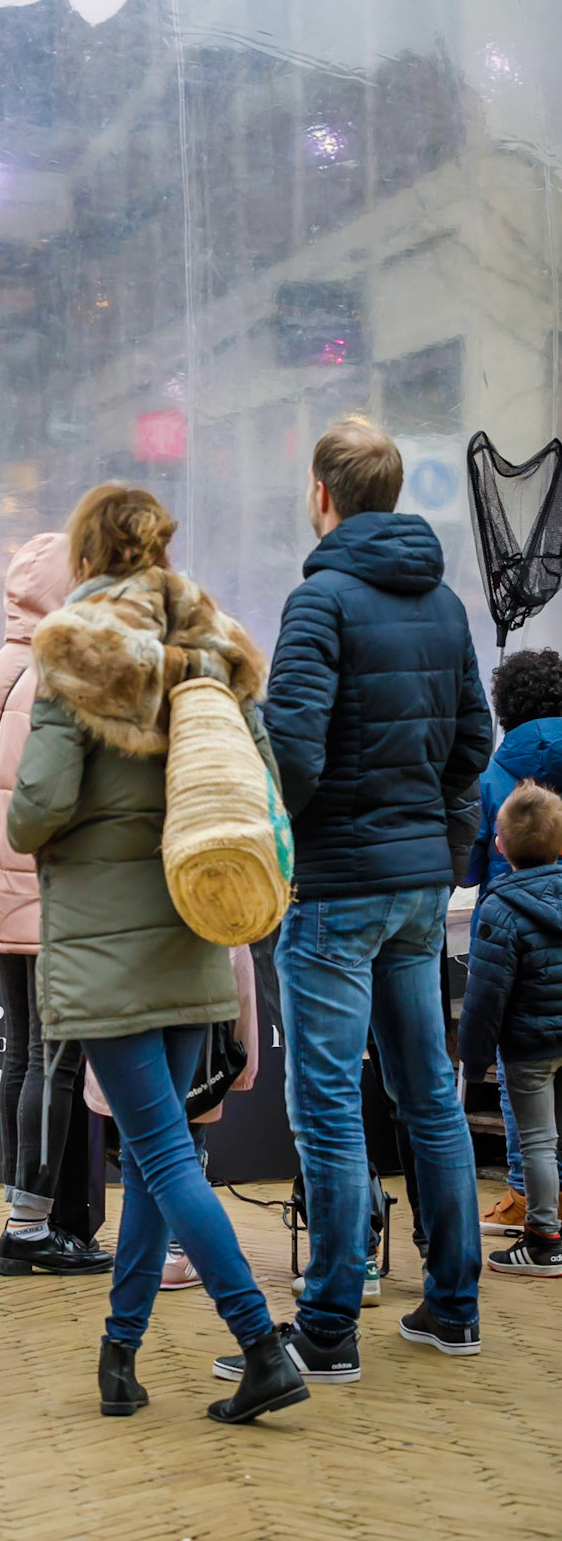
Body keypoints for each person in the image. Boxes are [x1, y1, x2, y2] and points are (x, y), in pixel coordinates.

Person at [7, 482, 308, 1427]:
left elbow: (35, 810)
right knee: (150, 1154)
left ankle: (261, 1344)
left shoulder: (74, 654)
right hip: (195, 928)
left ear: (88, 556)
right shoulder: (213, 647)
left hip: (106, 950)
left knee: (160, 1153)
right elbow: (264, 783)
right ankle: (119, 1353)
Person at [262, 416, 492, 1384]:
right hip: (415, 890)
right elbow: (475, 741)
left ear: (324, 494)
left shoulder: (321, 602)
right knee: (430, 1095)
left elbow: (296, 753)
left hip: (339, 890)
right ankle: (453, 1306)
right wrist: (438, 843)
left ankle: (326, 1327)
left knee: (328, 1107)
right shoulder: (442, 602)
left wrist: (283, 837)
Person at [0, 530, 112, 1277]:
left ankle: (22, 1210)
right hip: (48, 898)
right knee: (56, 1059)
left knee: (22, 1053)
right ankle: (29, 1227)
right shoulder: (60, 677)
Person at [84, 947, 262, 1293]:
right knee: (183, 1152)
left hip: (123, 1040)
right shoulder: (208, 898)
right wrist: (242, 1057)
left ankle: (145, 1262)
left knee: (139, 1154)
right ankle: (181, 1254)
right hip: (192, 1047)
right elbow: (236, 970)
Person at [465, 647, 562, 1233]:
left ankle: (528, 1198)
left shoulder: (492, 773)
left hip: (512, 930)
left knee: (521, 1070)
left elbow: (472, 863)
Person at [459, 780, 562, 1278]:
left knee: (539, 1142)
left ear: (498, 846)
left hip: (529, 1046)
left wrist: (474, 1061)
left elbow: (484, 998)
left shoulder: (499, 910)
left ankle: (543, 1241)